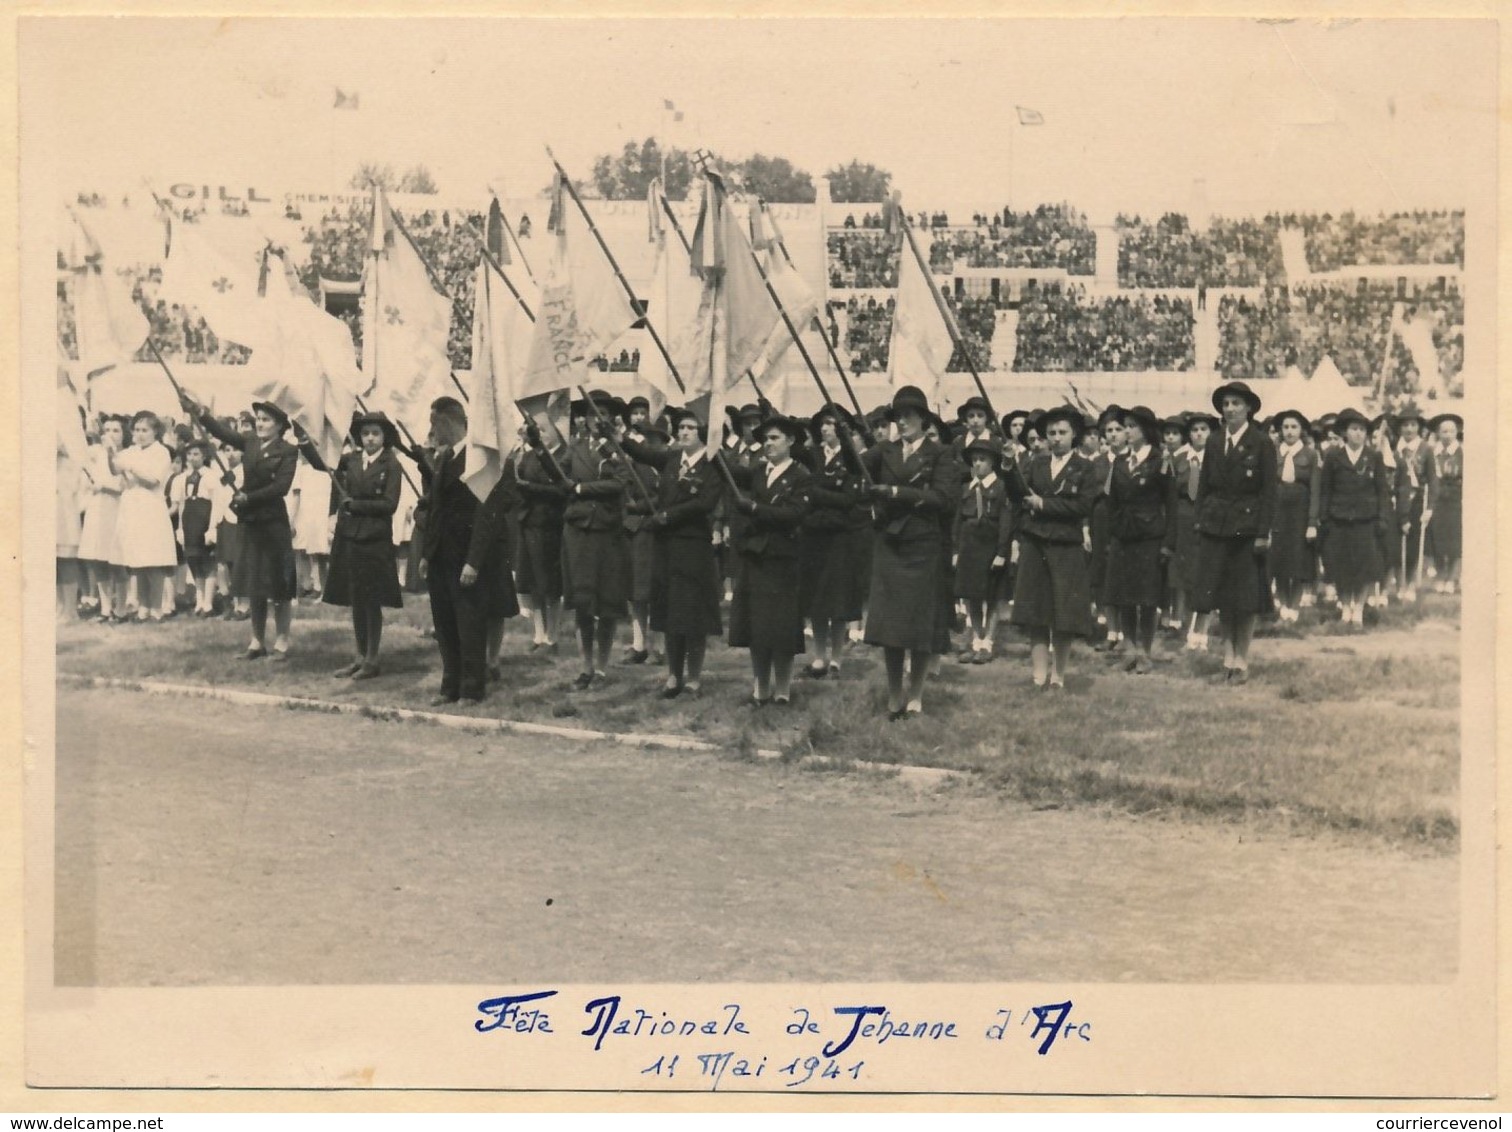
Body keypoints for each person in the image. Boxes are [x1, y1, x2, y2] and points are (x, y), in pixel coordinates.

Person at [859, 385, 963, 720]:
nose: (901, 422)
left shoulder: (940, 454)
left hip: (922, 544)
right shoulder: (884, 451)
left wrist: (896, 492)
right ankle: (894, 694)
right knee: (892, 627)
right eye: (896, 417)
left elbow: (943, 499)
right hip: (890, 543)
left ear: (922, 418)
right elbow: (854, 465)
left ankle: (916, 694)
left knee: (919, 626)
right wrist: (849, 439)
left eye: (907, 416)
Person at [622, 407, 726, 699]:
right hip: (667, 546)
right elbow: (642, 454)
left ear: (702, 434)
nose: (683, 432)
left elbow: (705, 503)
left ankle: (693, 677)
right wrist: (619, 436)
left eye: (690, 428)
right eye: (681, 428)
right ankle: (673, 676)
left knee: (693, 617)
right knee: (669, 613)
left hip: (693, 545)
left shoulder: (712, 463)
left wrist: (669, 515)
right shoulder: (671, 458)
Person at [185, 395, 300, 659]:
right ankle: (257, 642)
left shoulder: (288, 451)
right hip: (250, 522)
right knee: (255, 584)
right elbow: (219, 431)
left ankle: (282, 641)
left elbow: (280, 487)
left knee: (279, 587)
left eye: (266, 420)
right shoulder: (250, 443)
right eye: (258, 419)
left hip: (272, 522)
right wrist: (199, 411)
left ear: (280, 425)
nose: (259, 424)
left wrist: (249, 497)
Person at [416, 396, 508, 705]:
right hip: (442, 555)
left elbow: (487, 515)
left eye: (434, 423)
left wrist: (474, 562)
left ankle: (472, 688)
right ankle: (450, 686)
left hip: (466, 556)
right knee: (445, 624)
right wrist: (427, 554)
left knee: (469, 622)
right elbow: (436, 509)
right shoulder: (445, 458)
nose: (432, 430)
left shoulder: (478, 457)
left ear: (448, 421)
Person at [1191, 381, 1277, 685]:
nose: (1230, 409)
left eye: (1236, 404)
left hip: (1247, 528)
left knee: (1246, 598)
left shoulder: (1262, 442)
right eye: (1226, 404)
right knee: (1224, 596)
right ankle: (1227, 655)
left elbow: (1269, 491)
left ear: (1249, 408)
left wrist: (1263, 532)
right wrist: (1201, 519)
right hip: (1217, 527)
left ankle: (1243, 659)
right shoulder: (1214, 441)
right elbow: (1204, 487)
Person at [1006, 405, 1098, 689]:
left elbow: (1082, 505)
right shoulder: (1036, 464)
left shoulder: (1085, 467)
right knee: (1036, 613)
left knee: (1063, 614)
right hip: (1035, 544)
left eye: (1062, 433)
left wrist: (1043, 504)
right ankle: (1038, 675)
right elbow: (1018, 494)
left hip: (1065, 547)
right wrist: (1009, 467)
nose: (1056, 438)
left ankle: (1058, 675)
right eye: (1051, 433)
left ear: (1074, 435)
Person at [727, 412, 813, 706]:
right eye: (765, 439)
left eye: (774, 438)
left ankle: (783, 689)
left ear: (790, 441)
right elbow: (730, 473)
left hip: (782, 558)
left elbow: (792, 515)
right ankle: (761, 686)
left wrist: (753, 509)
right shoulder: (758, 472)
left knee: (781, 628)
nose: (768, 444)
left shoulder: (801, 476)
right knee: (757, 627)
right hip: (756, 557)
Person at [320, 411, 404, 679]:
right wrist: (304, 440)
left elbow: (389, 504)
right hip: (350, 537)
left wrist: (354, 505)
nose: (370, 439)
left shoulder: (391, 464)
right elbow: (323, 463)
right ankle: (359, 655)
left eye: (375, 433)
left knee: (371, 599)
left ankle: (372, 658)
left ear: (384, 437)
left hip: (375, 538)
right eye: (365, 433)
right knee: (356, 598)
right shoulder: (351, 460)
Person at [559, 393, 632, 691]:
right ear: (584, 419)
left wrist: (582, 488)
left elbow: (620, 482)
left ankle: (601, 668)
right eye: (592, 414)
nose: (596, 420)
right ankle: (585, 666)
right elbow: (558, 476)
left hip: (607, 531)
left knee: (608, 604)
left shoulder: (615, 448)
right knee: (583, 603)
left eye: (602, 414)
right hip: (579, 532)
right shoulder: (573, 447)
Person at [1103, 406, 1177, 674]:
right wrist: (1113, 532)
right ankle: (1130, 650)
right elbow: (1111, 503)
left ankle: (1145, 652)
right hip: (1124, 537)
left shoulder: (1161, 461)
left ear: (1145, 430)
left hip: (1149, 537)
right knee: (1123, 597)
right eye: (1125, 426)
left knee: (1147, 599)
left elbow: (1171, 504)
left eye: (1132, 426)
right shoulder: (1119, 463)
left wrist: (1169, 542)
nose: (1127, 431)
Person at [799, 405, 865, 680]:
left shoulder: (852, 458)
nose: (826, 428)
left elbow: (850, 499)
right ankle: (819, 656)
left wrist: (817, 493)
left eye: (831, 423)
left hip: (840, 536)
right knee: (817, 599)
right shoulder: (812, 455)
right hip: (814, 535)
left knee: (837, 600)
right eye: (822, 424)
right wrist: (827, 492)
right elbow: (804, 490)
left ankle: (837, 656)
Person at [1317, 408, 1391, 629]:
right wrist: (1324, 517)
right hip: (1339, 519)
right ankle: (1346, 606)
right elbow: (1326, 490)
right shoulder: (1333, 456)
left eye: (1362, 430)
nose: (1358, 434)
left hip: (1365, 520)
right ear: (1345, 433)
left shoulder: (1373, 457)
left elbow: (1382, 491)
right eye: (1353, 429)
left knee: (1364, 567)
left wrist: (1382, 517)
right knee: (1341, 567)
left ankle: (1358, 609)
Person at [107, 411, 179, 623]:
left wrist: (129, 466)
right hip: (132, 508)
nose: (140, 434)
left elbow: (152, 480)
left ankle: (156, 607)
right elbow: (114, 469)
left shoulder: (161, 452)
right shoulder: (131, 450)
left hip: (151, 507)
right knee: (138, 560)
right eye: (137, 430)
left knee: (153, 560)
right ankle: (143, 607)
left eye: (145, 430)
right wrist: (110, 452)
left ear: (155, 431)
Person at [952, 435, 1013, 664]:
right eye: (974, 460)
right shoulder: (966, 488)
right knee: (972, 596)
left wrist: (1001, 552)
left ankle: (988, 642)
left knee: (994, 596)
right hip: (969, 549)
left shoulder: (1001, 487)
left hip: (990, 547)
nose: (977, 464)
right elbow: (957, 522)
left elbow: (1006, 522)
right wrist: (956, 550)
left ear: (992, 463)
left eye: (982, 460)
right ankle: (976, 640)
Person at [515, 418, 570, 653]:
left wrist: (527, 486)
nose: (542, 435)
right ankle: (538, 634)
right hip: (529, 523)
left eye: (545, 430)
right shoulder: (528, 456)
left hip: (550, 524)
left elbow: (560, 490)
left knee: (550, 584)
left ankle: (553, 636)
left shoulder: (564, 458)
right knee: (533, 583)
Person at [1269, 410, 1321, 623]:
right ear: (1281, 431)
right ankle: (1283, 602)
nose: (1290, 431)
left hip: (1300, 511)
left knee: (1299, 559)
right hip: (1278, 509)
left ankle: (1295, 604)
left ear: (1302, 430)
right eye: (1286, 427)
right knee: (1279, 558)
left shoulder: (1310, 454)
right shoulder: (1273, 452)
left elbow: (1315, 489)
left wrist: (1312, 522)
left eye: (1294, 427)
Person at [1172, 412, 1215, 649]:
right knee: (1185, 576)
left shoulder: (1217, 458)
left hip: (1208, 520)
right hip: (1184, 520)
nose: (1199, 433)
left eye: (1204, 429)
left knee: (1205, 576)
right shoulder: (1179, 459)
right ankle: (1188, 624)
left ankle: (1202, 630)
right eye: (1195, 429)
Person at [77, 414, 126, 622]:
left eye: (116, 430)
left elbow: (123, 487)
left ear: (124, 434)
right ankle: (105, 609)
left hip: (117, 509)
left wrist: (104, 486)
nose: (110, 435)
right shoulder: (95, 453)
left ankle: (121, 608)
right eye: (107, 430)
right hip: (97, 509)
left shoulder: (125, 455)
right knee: (98, 559)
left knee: (116, 560)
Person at [1392, 405, 1435, 601]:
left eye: (1412, 425)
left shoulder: (1426, 449)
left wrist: (1430, 507)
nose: (1409, 429)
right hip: (1398, 499)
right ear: (1399, 428)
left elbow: (1433, 479)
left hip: (1418, 498)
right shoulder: (1395, 449)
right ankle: (1399, 581)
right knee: (1396, 541)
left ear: (1418, 427)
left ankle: (1409, 583)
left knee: (1413, 543)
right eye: (1405, 426)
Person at [175, 440, 218, 617]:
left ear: (204, 456)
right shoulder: (182, 478)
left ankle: (208, 603)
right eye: (190, 454)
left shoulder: (211, 476)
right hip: (189, 521)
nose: (192, 458)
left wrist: (212, 528)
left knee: (207, 562)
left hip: (205, 519)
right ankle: (199, 601)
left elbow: (216, 503)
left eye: (196, 454)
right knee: (194, 561)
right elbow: (182, 505)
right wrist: (180, 529)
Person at [1426, 413, 1463, 594]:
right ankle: (1440, 575)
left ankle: (1452, 577)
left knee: (1455, 541)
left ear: (1457, 432)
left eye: (1451, 431)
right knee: (1438, 539)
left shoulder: (1463, 453)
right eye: (1444, 431)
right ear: (1438, 433)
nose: (1447, 434)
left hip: (1457, 500)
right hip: (1438, 500)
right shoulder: (1433, 452)